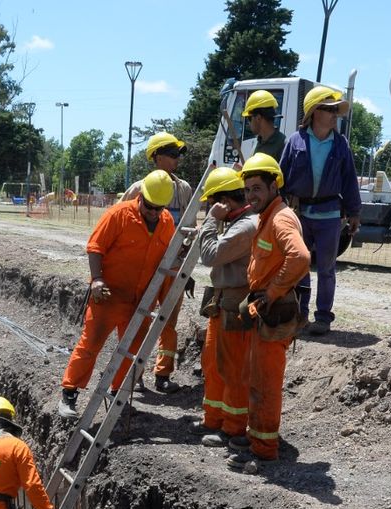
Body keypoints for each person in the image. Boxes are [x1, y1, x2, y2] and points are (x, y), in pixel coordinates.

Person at [59, 170, 177, 417]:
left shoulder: (167, 223)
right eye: (150, 207)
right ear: (141, 197)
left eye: (160, 208)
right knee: (91, 344)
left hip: (141, 300)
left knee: (135, 350)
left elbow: (167, 258)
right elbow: (95, 248)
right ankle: (69, 394)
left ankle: (117, 394)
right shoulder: (118, 214)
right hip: (108, 296)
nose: (154, 213)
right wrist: (97, 279)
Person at [232, 153, 310, 475]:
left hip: (275, 312)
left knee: (266, 384)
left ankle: (264, 451)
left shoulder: (280, 218)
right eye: (247, 189)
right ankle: (255, 438)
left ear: (273, 185)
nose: (251, 195)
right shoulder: (267, 216)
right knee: (257, 379)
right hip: (265, 312)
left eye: (257, 188)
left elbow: (301, 257)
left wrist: (271, 293)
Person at [279, 86, 362, 337]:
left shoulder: (340, 144)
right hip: (300, 215)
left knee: (326, 269)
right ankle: (300, 314)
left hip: (329, 216)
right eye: (329, 109)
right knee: (299, 266)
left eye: (336, 109)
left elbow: (349, 179)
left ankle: (323, 317)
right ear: (315, 112)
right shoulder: (295, 141)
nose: (335, 114)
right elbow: (281, 177)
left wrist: (354, 211)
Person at [121, 132, 195, 392]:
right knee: (139, 321)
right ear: (157, 157)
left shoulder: (184, 189)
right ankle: (134, 374)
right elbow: (122, 222)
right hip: (144, 270)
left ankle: (163, 374)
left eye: (177, 155)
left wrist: (185, 264)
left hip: (173, 268)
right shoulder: (138, 189)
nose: (176, 160)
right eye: (171, 155)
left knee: (169, 323)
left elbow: (189, 227)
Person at [195, 167, 257, 449]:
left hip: (235, 303)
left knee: (232, 368)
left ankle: (232, 428)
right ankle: (213, 419)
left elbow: (210, 255)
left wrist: (210, 222)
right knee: (212, 363)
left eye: (212, 203)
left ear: (224, 201)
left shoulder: (245, 226)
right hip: (221, 301)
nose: (210, 207)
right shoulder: (236, 222)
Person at [241, 90, 286, 164]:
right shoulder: (258, 142)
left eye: (249, 118)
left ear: (258, 118)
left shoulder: (283, 146)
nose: (248, 123)